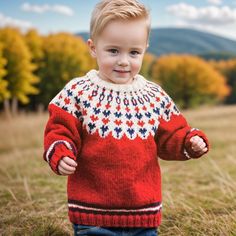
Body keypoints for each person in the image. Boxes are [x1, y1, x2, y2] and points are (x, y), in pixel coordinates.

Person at [43, 0, 209, 235]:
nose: (123, 61)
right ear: (93, 47)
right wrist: (60, 152)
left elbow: (172, 135)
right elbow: (59, 130)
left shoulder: (153, 96)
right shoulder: (78, 92)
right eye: (113, 50)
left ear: (145, 49)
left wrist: (189, 142)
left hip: (144, 212)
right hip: (92, 213)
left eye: (134, 52)